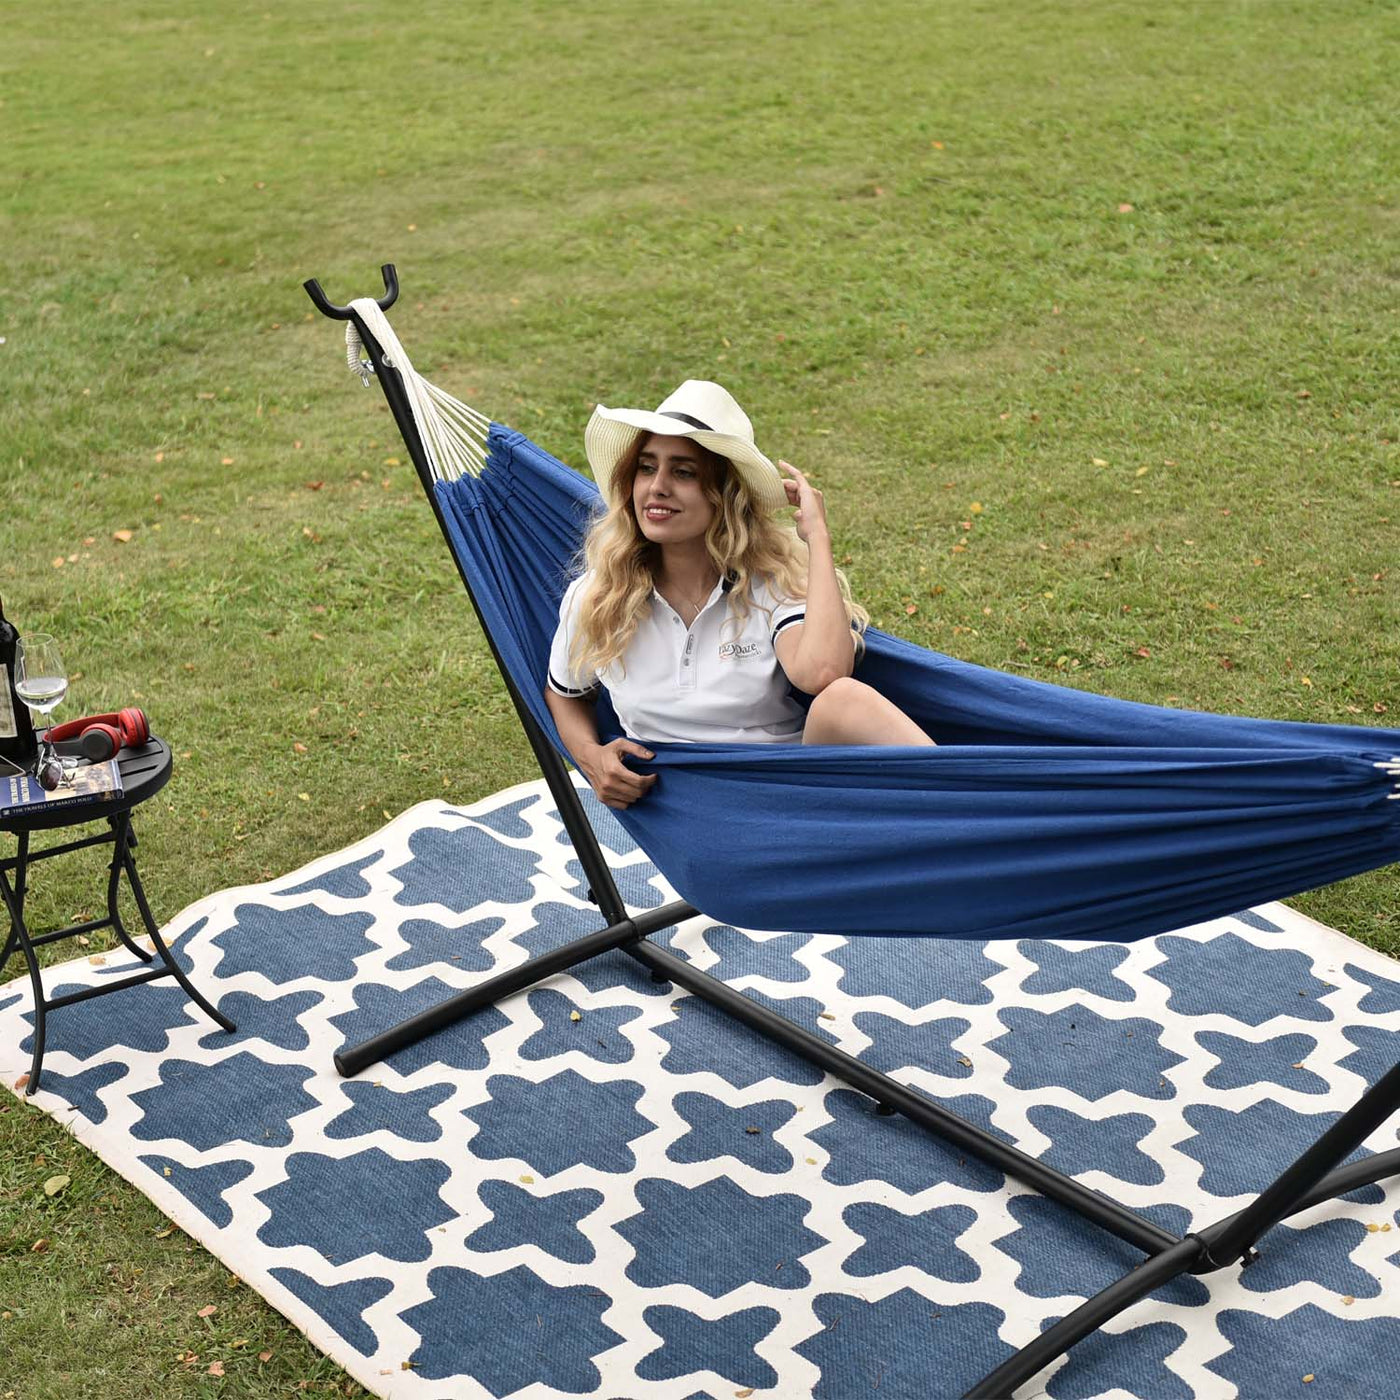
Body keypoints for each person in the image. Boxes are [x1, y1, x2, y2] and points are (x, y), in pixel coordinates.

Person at [544, 381, 935, 809]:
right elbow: (564, 693)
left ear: (725, 496)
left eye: (683, 472)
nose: (657, 487)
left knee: (845, 700)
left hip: (786, 789)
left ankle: (973, 816)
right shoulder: (600, 594)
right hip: (682, 804)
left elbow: (823, 674)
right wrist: (591, 757)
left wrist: (817, 538)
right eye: (646, 467)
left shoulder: (766, 581)